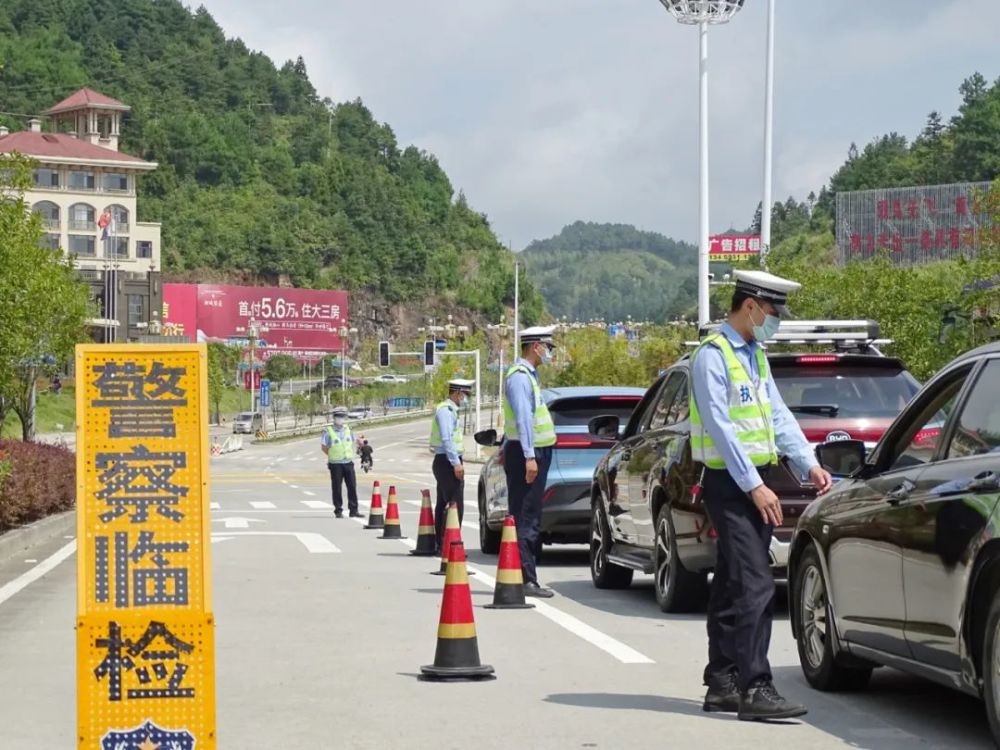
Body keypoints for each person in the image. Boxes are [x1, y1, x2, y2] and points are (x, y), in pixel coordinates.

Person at [689, 269, 833, 721]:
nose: (776, 321)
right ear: (750, 306)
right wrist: (755, 486)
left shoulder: (756, 355)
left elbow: (778, 414)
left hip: (754, 479)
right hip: (730, 484)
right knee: (756, 584)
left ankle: (722, 682)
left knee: (734, 582)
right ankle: (756, 686)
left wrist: (808, 461)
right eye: (773, 312)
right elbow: (721, 428)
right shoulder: (712, 357)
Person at [502, 325, 558, 598]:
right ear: (535, 346)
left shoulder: (528, 376)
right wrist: (529, 457)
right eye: (547, 347)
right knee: (526, 517)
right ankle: (526, 578)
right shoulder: (520, 378)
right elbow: (523, 420)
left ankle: (522, 575)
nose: (548, 353)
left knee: (530, 515)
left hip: (535, 452)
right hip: (529, 454)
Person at [429, 379, 474, 551]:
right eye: (465, 395)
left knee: (444, 502)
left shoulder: (450, 411)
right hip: (447, 462)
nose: (466, 398)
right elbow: (447, 439)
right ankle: (450, 544)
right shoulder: (446, 411)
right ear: (457, 393)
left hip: (446, 461)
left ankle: (442, 543)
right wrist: (456, 463)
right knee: (455, 504)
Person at [320, 406, 360, 518]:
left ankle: (354, 510)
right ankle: (338, 510)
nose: (340, 419)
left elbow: (353, 442)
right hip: (335, 464)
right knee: (337, 487)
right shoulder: (328, 431)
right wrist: (333, 455)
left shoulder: (348, 429)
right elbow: (324, 447)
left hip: (348, 462)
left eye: (342, 416)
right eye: (338, 416)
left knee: (352, 486)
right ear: (334, 417)